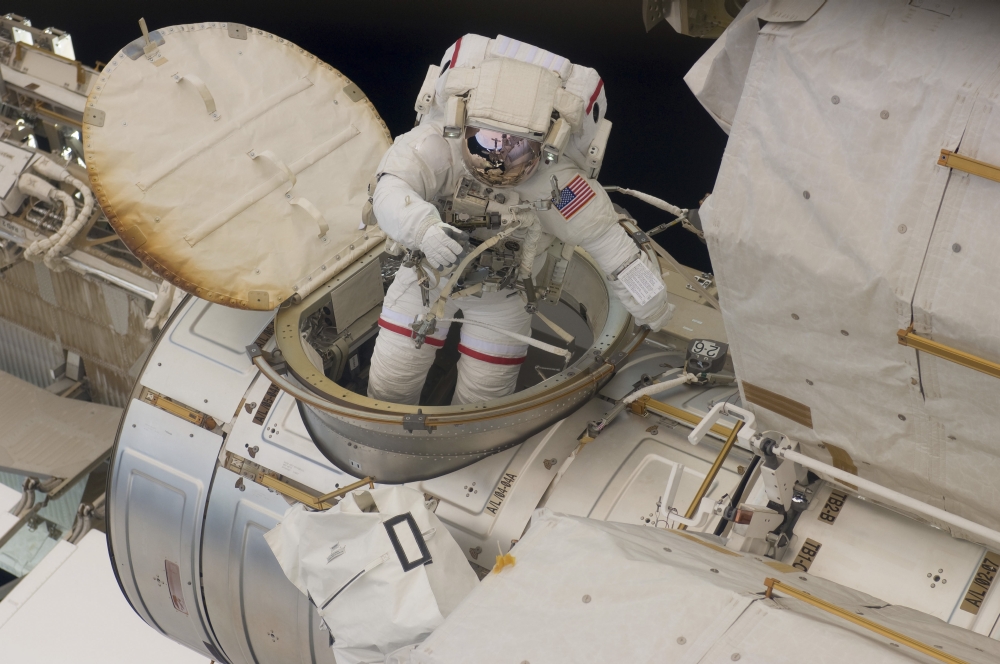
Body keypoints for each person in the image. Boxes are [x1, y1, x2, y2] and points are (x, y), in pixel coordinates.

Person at [367, 34, 673, 406]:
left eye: (515, 146)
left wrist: (652, 305)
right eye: (487, 141)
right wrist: (423, 229)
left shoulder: (557, 185)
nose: (497, 157)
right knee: (391, 383)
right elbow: (390, 190)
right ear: (462, 123)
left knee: (483, 398)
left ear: (545, 146)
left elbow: (611, 248)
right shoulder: (438, 148)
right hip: (424, 278)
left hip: (503, 295)